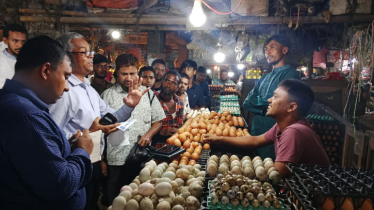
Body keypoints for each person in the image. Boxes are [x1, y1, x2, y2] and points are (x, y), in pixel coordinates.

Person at [49, 32, 147, 210]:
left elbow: (109, 118)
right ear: (67, 56)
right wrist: (81, 136)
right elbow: (52, 133)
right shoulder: (64, 89)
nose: (91, 57)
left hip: (92, 160)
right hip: (74, 162)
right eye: (84, 52)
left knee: (91, 203)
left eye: (91, 52)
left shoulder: (87, 87)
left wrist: (130, 106)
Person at [0, 36, 93, 209]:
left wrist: (65, 149)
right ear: (45, 71)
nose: (67, 87)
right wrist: (82, 151)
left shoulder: (19, 106)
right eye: (65, 76)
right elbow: (60, 186)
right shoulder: (25, 116)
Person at [204, 79, 330, 178]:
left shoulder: (294, 132)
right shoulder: (284, 126)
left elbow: (276, 173)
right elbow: (256, 141)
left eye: (275, 96)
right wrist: (219, 139)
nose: (269, 100)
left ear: (291, 107)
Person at [101, 54, 165, 204]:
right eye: (124, 74)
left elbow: (159, 121)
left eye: (132, 73)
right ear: (116, 73)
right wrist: (101, 159)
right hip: (116, 160)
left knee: (142, 198)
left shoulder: (147, 93)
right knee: (117, 200)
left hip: (141, 157)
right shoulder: (107, 96)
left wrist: (149, 135)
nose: (129, 78)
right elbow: (99, 129)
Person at [243, 35, 303, 160]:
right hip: (257, 131)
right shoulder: (264, 77)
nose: (267, 52)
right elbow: (247, 102)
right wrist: (268, 108)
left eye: (272, 47)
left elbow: (283, 103)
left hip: (275, 132)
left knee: (273, 171)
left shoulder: (291, 74)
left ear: (284, 50)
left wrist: (259, 103)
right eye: (266, 48)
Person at [152, 71, 184, 148]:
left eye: (173, 83)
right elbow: (144, 129)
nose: (169, 85)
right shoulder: (154, 101)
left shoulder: (180, 101)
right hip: (157, 149)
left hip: (176, 149)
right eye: (167, 81)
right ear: (162, 81)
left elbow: (180, 125)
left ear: (178, 87)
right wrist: (161, 132)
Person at [0, 24, 27, 88]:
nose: (20, 45)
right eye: (15, 41)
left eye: (23, 41)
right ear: (6, 41)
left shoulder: (31, 59)